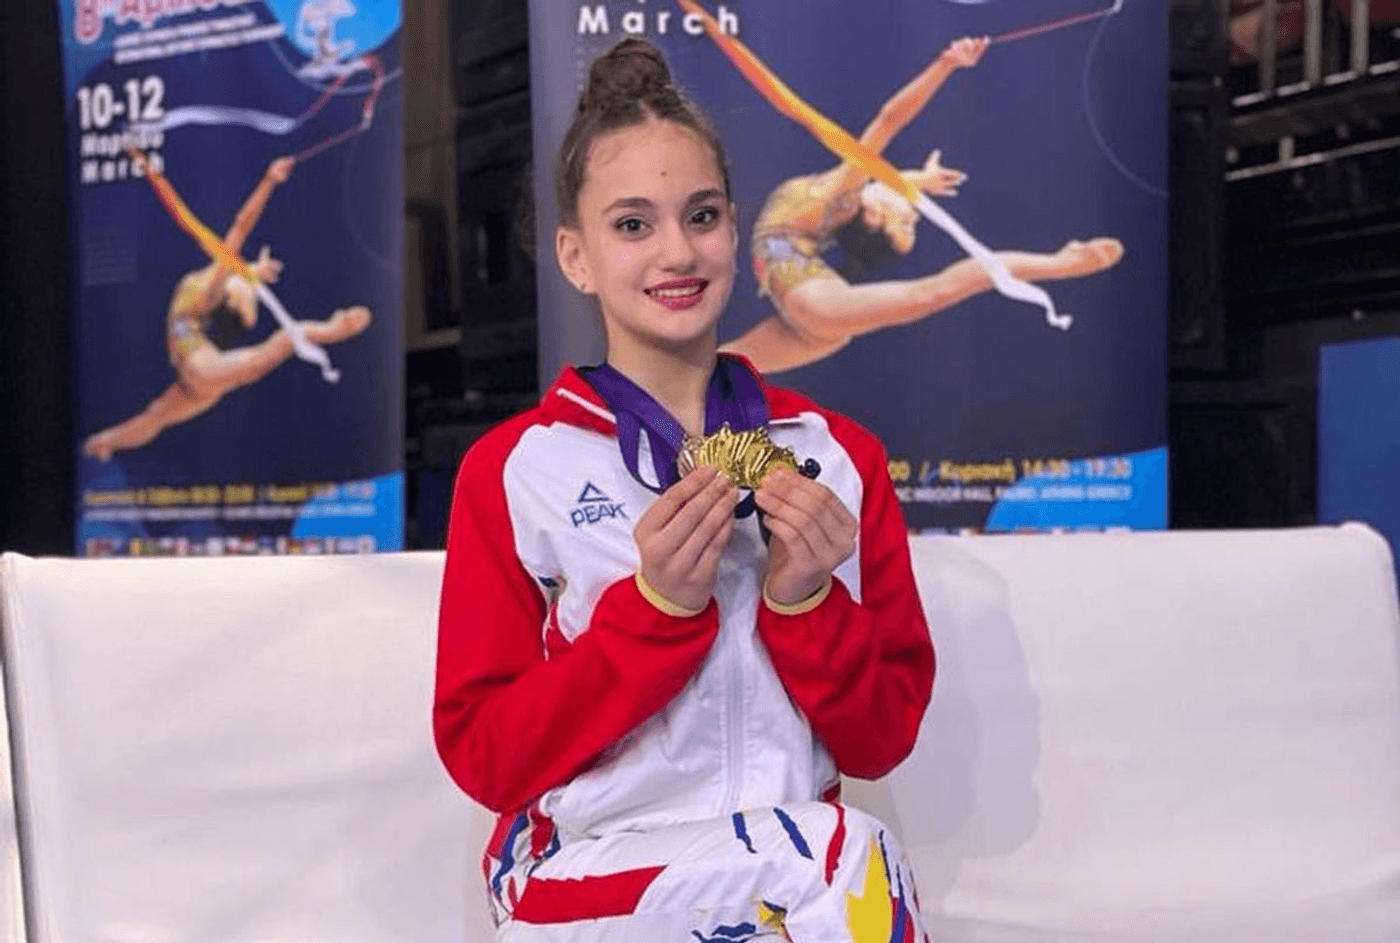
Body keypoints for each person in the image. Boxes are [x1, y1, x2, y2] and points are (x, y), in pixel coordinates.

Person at [435, 38, 935, 941]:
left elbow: (879, 738)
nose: (677, 251)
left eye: (700, 216)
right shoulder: (516, 470)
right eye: (633, 224)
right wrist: (656, 609)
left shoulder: (837, 455)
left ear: (735, 232)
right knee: (843, 856)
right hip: (578, 874)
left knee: (831, 855)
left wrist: (806, 598)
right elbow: (486, 755)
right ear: (577, 256)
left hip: (784, 893)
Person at [722, 36, 1125, 373]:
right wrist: (917, 180)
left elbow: (889, 120)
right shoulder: (838, 202)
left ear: (874, 217)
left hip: (815, 302)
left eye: (906, 224)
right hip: (812, 313)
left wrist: (945, 64)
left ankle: (1063, 263)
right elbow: (884, 187)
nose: (912, 212)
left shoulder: (840, 195)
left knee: (931, 294)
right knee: (710, 370)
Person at [82, 155, 371, 462]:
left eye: (250, 300)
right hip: (198, 372)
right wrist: (257, 267)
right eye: (252, 298)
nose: (251, 291)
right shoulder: (212, 289)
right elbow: (240, 253)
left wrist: (268, 182)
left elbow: (240, 233)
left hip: (200, 367)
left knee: (268, 354)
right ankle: (104, 441)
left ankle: (335, 329)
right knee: (157, 416)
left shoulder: (209, 291)